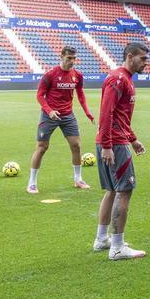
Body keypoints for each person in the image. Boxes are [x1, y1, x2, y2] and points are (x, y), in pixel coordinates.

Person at [92, 43, 149, 260]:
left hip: (114, 140)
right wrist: (107, 145)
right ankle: (117, 247)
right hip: (113, 143)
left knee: (112, 191)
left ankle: (101, 239)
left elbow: (120, 116)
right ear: (130, 56)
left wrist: (133, 139)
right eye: (142, 59)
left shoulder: (125, 79)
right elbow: (106, 113)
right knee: (125, 191)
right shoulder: (118, 79)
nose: (145, 63)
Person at [28, 46, 94, 194]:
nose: (72, 61)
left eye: (74, 58)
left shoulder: (77, 75)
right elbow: (39, 95)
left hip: (68, 115)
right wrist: (49, 111)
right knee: (42, 147)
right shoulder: (50, 75)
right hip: (49, 115)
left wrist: (87, 112)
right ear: (62, 57)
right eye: (69, 58)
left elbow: (80, 94)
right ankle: (32, 183)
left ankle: (78, 179)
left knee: (76, 146)